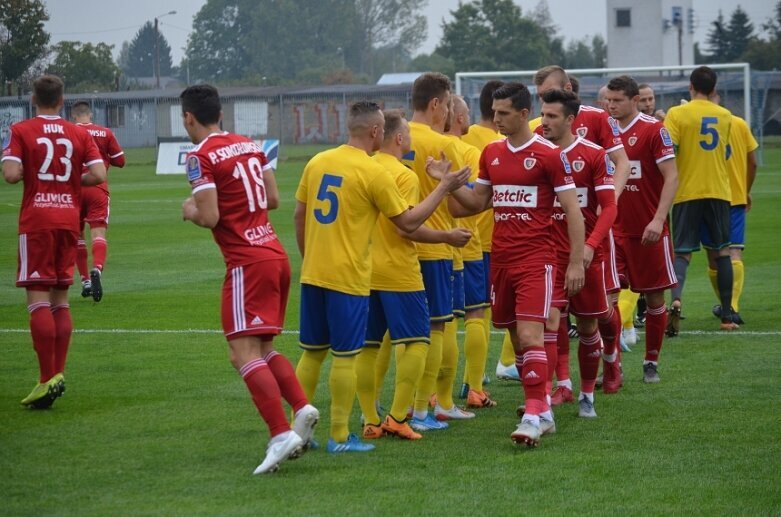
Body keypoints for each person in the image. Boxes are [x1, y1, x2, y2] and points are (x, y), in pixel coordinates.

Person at [294, 100, 470, 453]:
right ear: (377, 131)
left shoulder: (317, 162)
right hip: (357, 276)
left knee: (313, 353)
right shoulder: (376, 171)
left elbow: (299, 215)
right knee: (357, 353)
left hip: (314, 272)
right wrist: (444, 186)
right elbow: (407, 223)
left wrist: (308, 255)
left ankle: (295, 432)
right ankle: (343, 435)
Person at [180, 84, 319, 475]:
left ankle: (280, 433)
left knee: (242, 353)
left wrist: (190, 209)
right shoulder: (249, 144)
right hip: (274, 253)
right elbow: (273, 200)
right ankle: (301, 407)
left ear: (188, 117)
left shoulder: (199, 156)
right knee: (259, 349)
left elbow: (208, 216)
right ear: (220, 113)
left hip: (246, 261)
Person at [448, 82, 585, 447]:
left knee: (530, 336)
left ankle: (532, 412)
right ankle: (543, 412)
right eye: (495, 112)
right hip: (501, 261)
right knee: (516, 340)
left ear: (524, 114)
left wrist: (575, 261)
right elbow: (477, 203)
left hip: (536, 260)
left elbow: (573, 209)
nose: (497, 118)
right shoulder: (491, 152)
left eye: (504, 113)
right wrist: (445, 185)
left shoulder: (549, 155)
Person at [355, 109, 471, 441]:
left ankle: (369, 418)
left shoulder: (364, 168)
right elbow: (408, 227)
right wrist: (447, 230)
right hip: (398, 271)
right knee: (419, 341)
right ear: (399, 138)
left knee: (369, 346)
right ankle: (398, 416)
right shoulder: (403, 176)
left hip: (365, 269)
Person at [1, 75, 106, 408]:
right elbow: (99, 175)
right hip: (67, 220)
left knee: (38, 299)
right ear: (62, 101)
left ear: (33, 99)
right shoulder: (78, 132)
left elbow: (11, 175)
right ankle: (57, 374)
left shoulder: (21, 131)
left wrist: (28, 169)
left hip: (37, 221)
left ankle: (46, 378)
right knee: (61, 300)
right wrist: (73, 179)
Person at [531, 65, 630, 404]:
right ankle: (563, 386)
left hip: (593, 237)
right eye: (541, 102)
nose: (544, 114)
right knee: (553, 318)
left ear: (568, 89)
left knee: (601, 312)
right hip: (550, 247)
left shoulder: (597, 123)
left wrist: (607, 203)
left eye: (550, 99)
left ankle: (612, 358)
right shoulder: (537, 136)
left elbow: (622, 162)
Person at [401, 72, 469, 432]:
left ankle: (391, 406)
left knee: (401, 334)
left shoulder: (394, 137)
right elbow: (461, 205)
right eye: (447, 106)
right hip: (439, 246)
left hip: (397, 247)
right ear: (436, 104)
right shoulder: (445, 144)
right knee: (438, 327)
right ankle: (431, 407)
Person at [604, 75, 679, 383]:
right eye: (608, 100)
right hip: (612, 231)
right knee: (606, 298)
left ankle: (651, 361)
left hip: (647, 230)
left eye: (617, 100)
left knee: (654, 298)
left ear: (634, 101)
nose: (611, 105)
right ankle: (613, 363)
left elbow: (671, 177)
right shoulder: (601, 131)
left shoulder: (653, 130)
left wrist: (659, 219)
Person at [664, 66, 736, 334]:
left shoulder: (677, 113)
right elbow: (725, 151)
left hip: (687, 191)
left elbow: (669, 150)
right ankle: (727, 316)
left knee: (681, 252)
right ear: (714, 89)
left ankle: (677, 301)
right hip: (718, 190)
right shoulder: (725, 115)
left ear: (691, 86)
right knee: (722, 251)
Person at [445, 95, 494, 410]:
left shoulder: (417, 145)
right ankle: (474, 387)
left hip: (423, 242)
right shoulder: (468, 151)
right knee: (476, 312)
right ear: (460, 119)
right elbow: (478, 199)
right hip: (467, 241)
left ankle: (435, 393)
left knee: (441, 319)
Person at [707, 92, 758, 324]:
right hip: (734, 195)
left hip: (706, 194)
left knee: (714, 255)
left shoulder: (690, 122)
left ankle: (727, 306)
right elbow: (753, 161)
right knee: (734, 251)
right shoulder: (738, 123)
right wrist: (745, 189)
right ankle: (731, 306)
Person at [70, 100, 125, 302]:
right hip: (97, 187)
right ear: (90, 115)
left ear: (73, 116)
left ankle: (85, 280)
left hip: (73, 189)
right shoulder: (104, 132)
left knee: (77, 237)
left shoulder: (68, 132)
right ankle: (97, 270)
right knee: (98, 234)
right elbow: (121, 161)